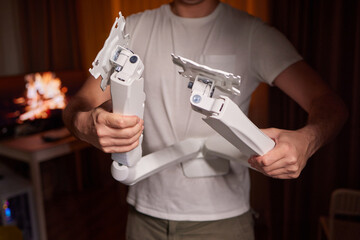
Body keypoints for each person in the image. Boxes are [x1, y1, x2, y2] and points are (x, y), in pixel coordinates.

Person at [63, 0, 348, 239]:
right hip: (143, 217)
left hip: (221, 222)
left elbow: (329, 105)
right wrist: (84, 124)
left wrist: (306, 141)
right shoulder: (134, 29)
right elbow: (81, 104)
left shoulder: (253, 34)